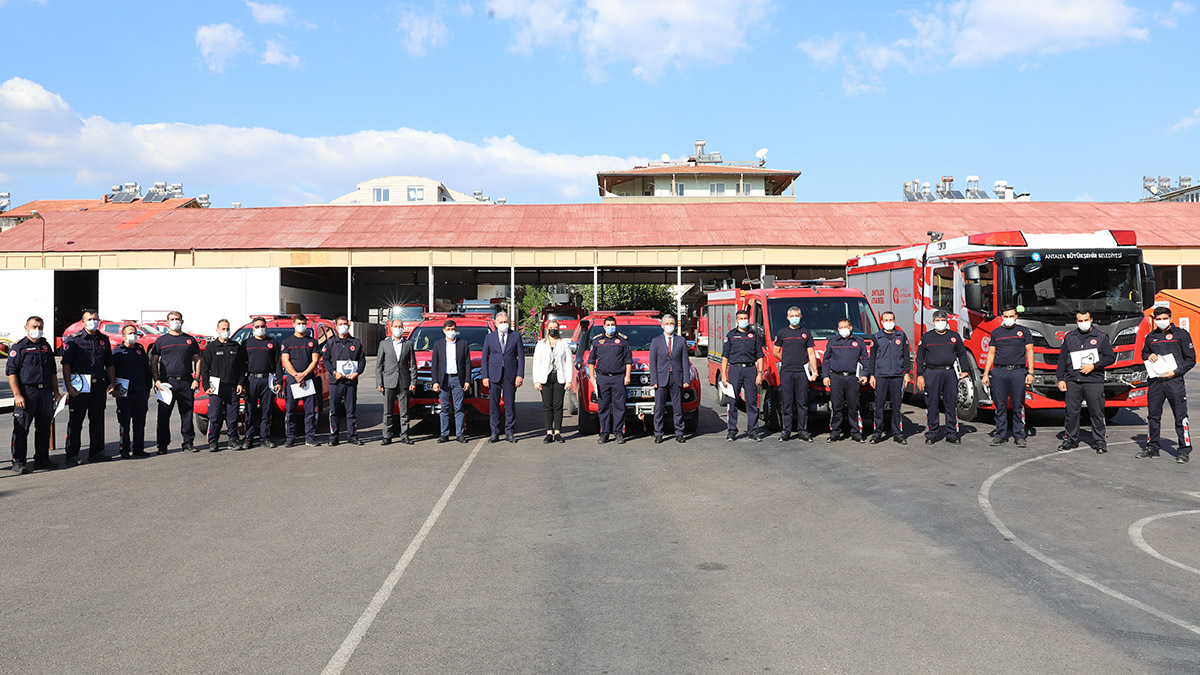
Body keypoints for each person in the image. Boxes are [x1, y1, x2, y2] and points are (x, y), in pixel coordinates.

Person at [1139, 306, 1194, 462]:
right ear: (1154, 320)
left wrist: (1176, 372)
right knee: (1153, 416)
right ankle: (1152, 447)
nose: (1161, 321)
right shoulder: (1151, 336)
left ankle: (1184, 450)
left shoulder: (1181, 335)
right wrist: (1149, 355)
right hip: (1156, 382)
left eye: (1164, 318)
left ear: (1170, 318)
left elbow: (1190, 359)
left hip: (1174, 381)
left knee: (1180, 416)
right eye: (1158, 319)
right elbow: (1144, 353)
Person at [6, 316, 61, 473]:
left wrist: (56, 392)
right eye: (34, 327)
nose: (37, 330)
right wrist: (17, 394)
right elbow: (12, 373)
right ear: (26, 328)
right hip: (27, 392)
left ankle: (42, 459)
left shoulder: (45, 346)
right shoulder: (19, 347)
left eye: (40, 327)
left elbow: (52, 372)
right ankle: (18, 462)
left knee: (44, 428)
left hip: (45, 392)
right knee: (21, 428)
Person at [1056, 310, 1116, 453]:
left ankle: (1100, 440)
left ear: (1091, 320)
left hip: (1093, 381)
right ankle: (1070, 439)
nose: (1083, 323)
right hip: (1073, 380)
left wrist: (1094, 366)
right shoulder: (1070, 337)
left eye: (1086, 320)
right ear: (1076, 322)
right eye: (1080, 321)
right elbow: (1062, 359)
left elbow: (1110, 357)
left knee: (1096, 412)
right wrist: (1060, 379)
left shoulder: (1101, 337)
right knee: (1071, 412)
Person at [62, 309, 116, 464]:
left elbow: (109, 363)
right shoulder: (74, 340)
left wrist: (112, 382)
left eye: (96, 319)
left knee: (98, 421)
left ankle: (96, 452)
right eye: (90, 319)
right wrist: (68, 385)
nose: (94, 321)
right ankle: (72, 454)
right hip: (80, 386)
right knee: (76, 421)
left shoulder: (104, 339)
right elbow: (66, 364)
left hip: (99, 385)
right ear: (83, 322)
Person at [981, 306, 1034, 448]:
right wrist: (986, 373)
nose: (1008, 319)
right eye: (1006, 316)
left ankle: (1019, 435)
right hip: (999, 372)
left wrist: (1031, 372)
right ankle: (1000, 435)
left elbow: (1030, 351)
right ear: (1002, 317)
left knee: (1018, 405)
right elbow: (991, 353)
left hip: (1018, 372)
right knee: (1000, 405)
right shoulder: (996, 333)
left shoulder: (1024, 331)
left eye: (1011, 316)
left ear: (1016, 317)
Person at [149, 310, 201, 455]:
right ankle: (162, 445)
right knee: (164, 415)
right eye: (172, 319)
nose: (175, 321)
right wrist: (156, 380)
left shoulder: (190, 340)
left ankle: (188, 442)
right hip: (167, 383)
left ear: (182, 321)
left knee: (187, 414)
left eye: (177, 319)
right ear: (167, 322)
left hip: (186, 382)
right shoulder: (161, 341)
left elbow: (198, 359)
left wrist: (196, 379)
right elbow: (153, 361)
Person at [916, 310, 971, 445]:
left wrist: (965, 370)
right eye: (937, 320)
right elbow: (919, 357)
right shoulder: (927, 337)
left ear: (947, 321)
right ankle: (932, 433)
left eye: (943, 320)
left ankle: (951, 433)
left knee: (951, 403)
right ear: (933, 322)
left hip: (949, 373)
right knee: (932, 403)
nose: (940, 322)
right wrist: (920, 375)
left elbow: (962, 354)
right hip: (932, 373)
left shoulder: (954, 336)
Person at [200, 319, 247, 452]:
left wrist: (240, 383)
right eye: (223, 329)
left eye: (227, 329)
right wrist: (206, 386)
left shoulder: (236, 347)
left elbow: (241, 368)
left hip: (232, 386)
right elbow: (205, 368)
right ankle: (213, 441)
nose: (225, 331)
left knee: (232, 415)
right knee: (214, 415)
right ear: (217, 330)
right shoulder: (211, 347)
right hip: (216, 387)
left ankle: (233, 439)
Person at [772, 306, 818, 442]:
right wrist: (785, 359)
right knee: (786, 403)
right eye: (792, 316)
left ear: (801, 317)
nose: (794, 318)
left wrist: (814, 371)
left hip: (802, 373)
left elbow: (811, 353)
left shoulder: (806, 333)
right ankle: (786, 431)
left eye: (797, 315)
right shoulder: (782, 333)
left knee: (802, 403)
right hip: (786, 372)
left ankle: (802, 430)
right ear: (787, 318)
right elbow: (776, 351)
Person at [721, 309, 765, 442]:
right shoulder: (731, 335)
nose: (743, 320)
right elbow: (725, 357)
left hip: (750, 370)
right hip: (735, 370)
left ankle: (753, 430)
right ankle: (732, 431)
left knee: (752, 402)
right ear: (736, 320)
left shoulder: (754, 335)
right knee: (733, 401)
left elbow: (760, 355)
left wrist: (760, 373)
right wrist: (724, 375)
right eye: (741, 318)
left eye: (745, 318)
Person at [822, 318, 869, 443]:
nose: (843, 330)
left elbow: (865, 359)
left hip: (853, 378)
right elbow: (826, 360)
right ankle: (835, 432)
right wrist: (825, 376)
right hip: (836, 377)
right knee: (837, 406)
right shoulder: (832, 341)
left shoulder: (858, 342)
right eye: (840, 328)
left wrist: (865, 375)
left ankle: (856, 432)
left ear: (851, 327)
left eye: (845, 327)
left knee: (854, 406)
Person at [588, 316, 633, 444]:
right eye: (608, 324)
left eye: (612, 324)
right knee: (603, 407)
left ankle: (618, 432)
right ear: (604, 326)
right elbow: (591, 361)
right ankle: (604, 433)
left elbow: (628, 361)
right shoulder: (597, 341)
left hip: (618, 377)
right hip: (602, 378)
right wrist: (592, 377)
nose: (610, 326)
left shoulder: (623, 341)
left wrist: (627, 376)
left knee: (619, 407)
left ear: (616, 325)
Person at [869, 310, 911, 445]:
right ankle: (877, 432)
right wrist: (872, 375)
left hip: (897, 375)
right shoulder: (877, 337)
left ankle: (897, 432)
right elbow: (872, 358)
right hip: (881, 375)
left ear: (894, 320)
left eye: (891, 320)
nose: (889, 322)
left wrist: (907, 373)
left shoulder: (901, 336)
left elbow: (906, 356)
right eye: (886, 320)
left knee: (897, 406)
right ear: (881, 322)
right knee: (879, 405)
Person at [323, 316, 366, 447]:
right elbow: (326, 360)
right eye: (340, 324)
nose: (343, 326)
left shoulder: (356, 343)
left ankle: (352, 435)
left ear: (349, 325)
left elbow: (362, 361)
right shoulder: (330, 342)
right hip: (336, 382)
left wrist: (357, 373)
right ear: (336, 326)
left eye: (345, 324)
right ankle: (334, 436)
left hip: (351, 382)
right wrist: (334, 372)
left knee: (351, 410)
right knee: (334, 410)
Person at [482, 311, 524, 444]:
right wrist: (485, 376)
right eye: (501, 322)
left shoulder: (515, 336)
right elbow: (484, 358)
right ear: (496, 323)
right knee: (493, 404)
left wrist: (520, 375)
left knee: (510, 404)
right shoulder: (490, 337)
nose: (503, 324)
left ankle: (509, 432)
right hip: (494, 374)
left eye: (505, 322)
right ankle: (494, 432)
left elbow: (521, 357)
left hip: (510, 374)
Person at [112, 324, 153, 459]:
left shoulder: (140, 351)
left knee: (140, 422)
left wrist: (148, 388)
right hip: (124, 393)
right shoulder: (117, 352)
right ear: (123, 336)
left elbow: (147, 371)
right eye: (130, 333)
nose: (133, 336)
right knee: (124, 422)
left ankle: (138, 449)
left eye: (135, 333)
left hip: (140, 391)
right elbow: (111, 372)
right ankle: (124, 450)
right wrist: (113, 388)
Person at [280, 314, 321, 448]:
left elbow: (315, 360)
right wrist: (297, 375)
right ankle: (290, 438)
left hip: (308, 379)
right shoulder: (287, 342)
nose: (301, 326)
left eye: (303, 323)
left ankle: (310, 437)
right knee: (290, 410)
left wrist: (304, 374)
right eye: (298, 323)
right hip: (293, 380)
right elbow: (285, 361)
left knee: (310, 411)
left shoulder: (312, 342)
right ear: (293, 325)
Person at [649, 314, 690, 443]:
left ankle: (679, 433)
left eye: (671, 323)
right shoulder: (656, 341)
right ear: (662, 325)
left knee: (677, 408)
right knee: (659, 408)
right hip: (661, 379)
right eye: (667, 324)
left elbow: (685, 361)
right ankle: (658, 433)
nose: (669, 326)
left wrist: (686, 379)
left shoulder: (681, 341)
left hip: (676, 378)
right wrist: (654, 380)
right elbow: (653, 362)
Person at [242, 316, 282, 449]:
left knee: (267, 410)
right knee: (250, 410)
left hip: (268, 380)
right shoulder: (246, 343)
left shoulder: (273, 343)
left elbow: (277, 364)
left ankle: (265, 437)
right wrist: (241, 383)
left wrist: (278, 381)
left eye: (262, 326)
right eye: (257, 326)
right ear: (253, 328)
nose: (260, 329)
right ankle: (249, 437)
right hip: (251, 379)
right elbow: (242, 364)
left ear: (266, 327)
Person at [376, 318, 417, 446]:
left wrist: (413, 381)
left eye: (400, 326)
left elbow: (413, 365)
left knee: (404, 411)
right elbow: (379, 365)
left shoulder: (408, 344)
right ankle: (387, 436)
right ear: (391, 328)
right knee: (387, 411)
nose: (398, 328)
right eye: (396, 326)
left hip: (404, 382)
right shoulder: (384, 344)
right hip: (388, 381)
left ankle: (405, 435)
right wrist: (379, 383)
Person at [532, 318, 573, 444]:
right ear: (547, 329)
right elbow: (536, 363)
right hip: (545, 377)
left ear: (559, 329)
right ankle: (549, 432)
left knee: (558, 405)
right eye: (551, 327)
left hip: (559, 377)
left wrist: (568, 380)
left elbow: (569, 362)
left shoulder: (564, 343)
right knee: (547, 405)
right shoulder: (540, 344)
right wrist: (536, 380)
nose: (553, 329)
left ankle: (558, 432)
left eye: (555, 327)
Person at [431, 319, 471, 443]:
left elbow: (467, 364)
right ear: (444, 331)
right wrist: (435, 381)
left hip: (458, 379)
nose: (451, 332)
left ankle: (459, 434)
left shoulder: (463, 344)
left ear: (456, 330)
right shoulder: (438, 345)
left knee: (459, 407)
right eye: (448, 329)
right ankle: (444, 434)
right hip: (444, 380)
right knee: (444, 408)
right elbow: (435, 365)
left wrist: (467, 380)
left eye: (453, 329)